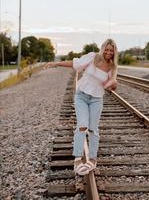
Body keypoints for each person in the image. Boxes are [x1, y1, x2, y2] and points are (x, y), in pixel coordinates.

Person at [46, 38, 118, 175]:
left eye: (111, 50)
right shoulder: (92, 57)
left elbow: (112, 85)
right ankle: (78, 157)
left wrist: (113, 85)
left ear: (114, 52)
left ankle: (92, 158)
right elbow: (75, 63)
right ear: (103, 48)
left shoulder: (112, 67)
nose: (108, 52)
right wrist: (56, 63)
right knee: (82, 125)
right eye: (107, 49)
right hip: (82, 96)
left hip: (97, 99)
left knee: (93, 129)